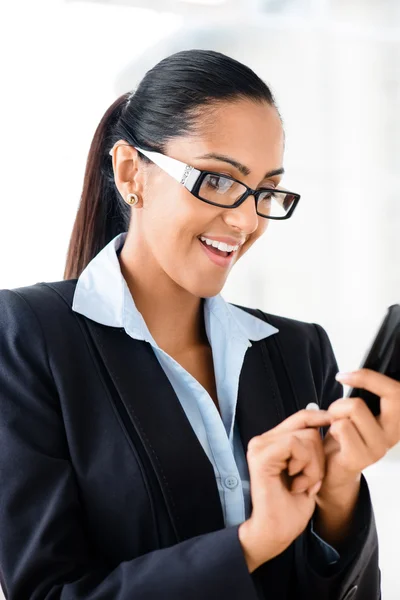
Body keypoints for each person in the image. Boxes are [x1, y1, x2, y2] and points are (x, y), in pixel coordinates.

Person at [0, 48, 398, 600]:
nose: (246, 219)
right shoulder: (27, 337)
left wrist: (338, 493)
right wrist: (253, 542)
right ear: (130, 172)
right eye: (216, 180)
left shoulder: (300, 351)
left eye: (265, 191)